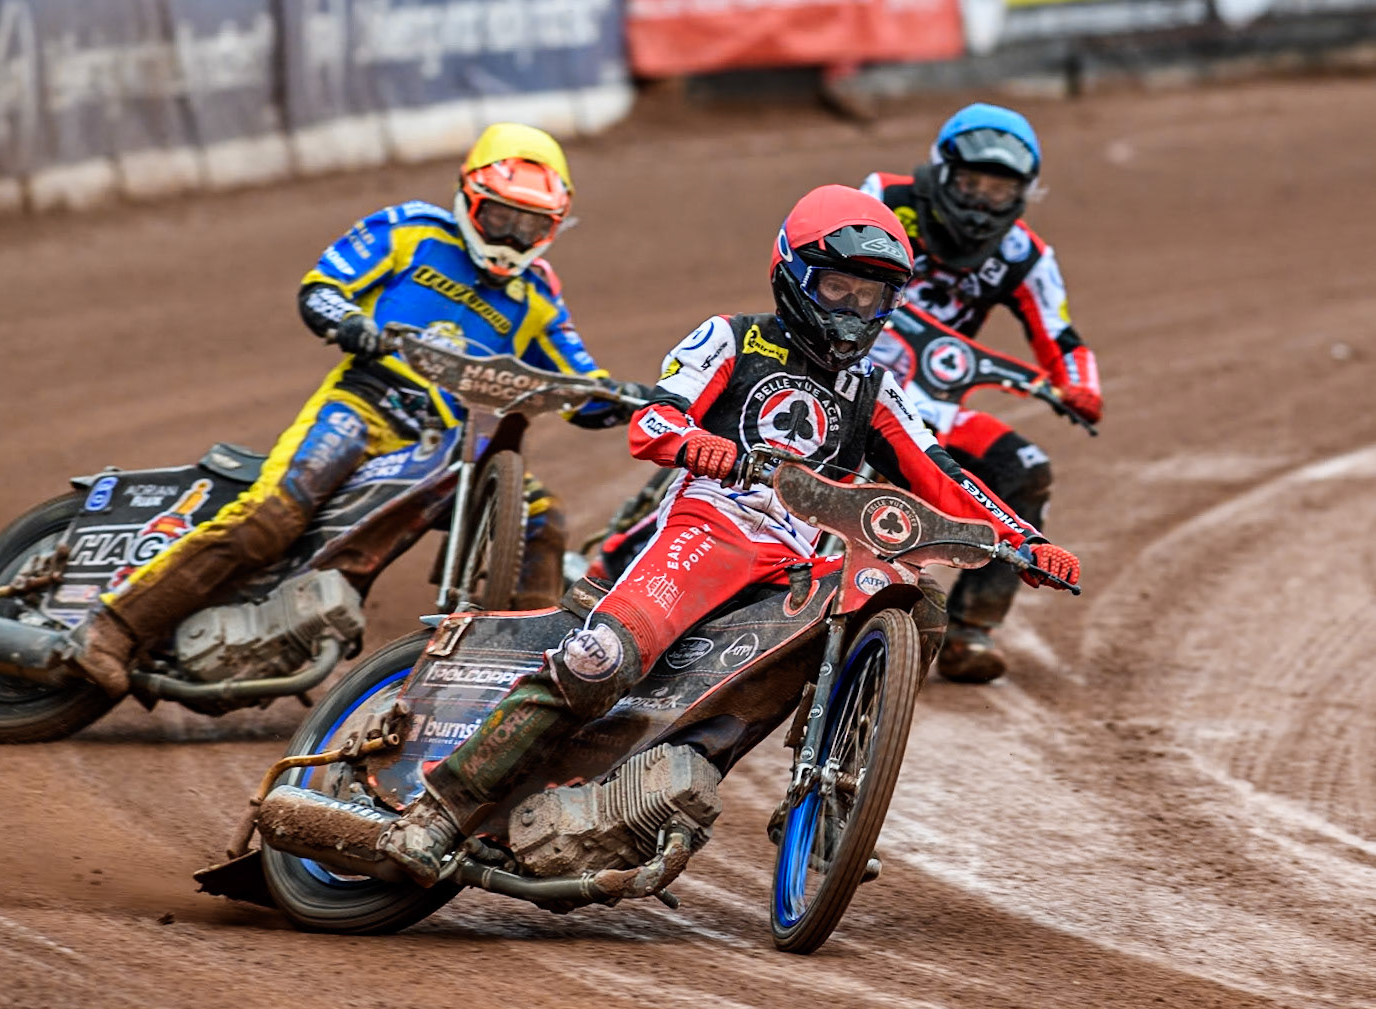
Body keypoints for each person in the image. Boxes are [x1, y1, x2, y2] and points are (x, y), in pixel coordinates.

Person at [375, 184, 1082, 886]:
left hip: (794, 568)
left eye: (870, 298)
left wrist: (1024, 541)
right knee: (599, 659)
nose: (852, 311)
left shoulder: (878, 390)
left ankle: (827, 798)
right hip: (708, 528)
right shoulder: (730, 338)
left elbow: (943, 476)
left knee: (912, 603)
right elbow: (652, 421)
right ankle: (440, 809)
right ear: (796, 278)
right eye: (838, 287)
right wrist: (698, 446)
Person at [73, 123, 629, 698]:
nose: (513, 238)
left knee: (543, 520)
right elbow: (321, 287)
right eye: (502, 218)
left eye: (531, 225)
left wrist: (633, 399)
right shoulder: (411, 230)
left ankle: (525, 684)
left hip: (456, 445)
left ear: (553, 227)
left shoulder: (539, 293)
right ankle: (113, 627)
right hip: (368, 403)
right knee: (272, 518)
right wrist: (351, 324)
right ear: (469, 197)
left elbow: (582, 385)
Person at [857, 102, 1103, 684]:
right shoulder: (885, 198)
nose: (979, 202)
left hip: (931, 404)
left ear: (1023, 194)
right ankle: (629, 548)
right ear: (941, 172)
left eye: (998, 190)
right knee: (742, 434)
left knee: (1025, 469)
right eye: (970, 183)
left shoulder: (1025, 254)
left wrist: (1081, 386)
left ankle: (971, 629)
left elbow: (1061, 333)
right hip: (843, 377)